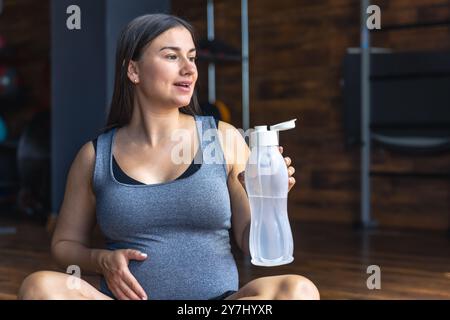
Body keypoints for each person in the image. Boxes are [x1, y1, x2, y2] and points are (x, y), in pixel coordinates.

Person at [18, 14, 319, 300]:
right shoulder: (95, 155)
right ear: (133, 70)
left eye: (192, 57)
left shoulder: (223, 139)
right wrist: (102, 260)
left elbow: (250, 245)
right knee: (40, 286)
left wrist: (265, 199)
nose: (189, 69)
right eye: (172, 56)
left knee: (297, 290)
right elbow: (64, 245)